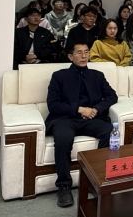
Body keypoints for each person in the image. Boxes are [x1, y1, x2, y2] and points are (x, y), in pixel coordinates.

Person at [45, 42, 118, 207]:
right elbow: (53, 105)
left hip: (91, 118)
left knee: (108, 131)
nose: (84, 56)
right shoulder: (59, 76)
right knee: (63, 138)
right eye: (79, 53)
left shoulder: (97, 75)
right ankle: (64, 186)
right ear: (70, 56)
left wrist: (96, 109)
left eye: (86, 52)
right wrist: (79, 109)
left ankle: (95, 179)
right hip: (65, 118)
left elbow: (112, 96)